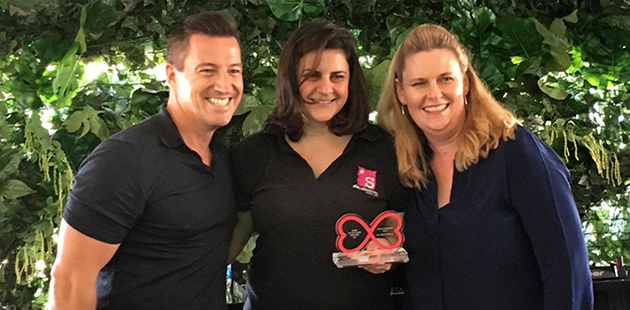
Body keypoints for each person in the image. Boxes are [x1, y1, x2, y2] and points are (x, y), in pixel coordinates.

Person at [376, 24, 593, 310]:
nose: (434, 94)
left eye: (445, 79)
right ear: (401, 92)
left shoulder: (516, 152)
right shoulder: (406, 167)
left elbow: (569, 270)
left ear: (465, 83)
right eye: (419, 83)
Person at [49, 11, 242, 310]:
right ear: (172, 76)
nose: (224, 84)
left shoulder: (223, 158)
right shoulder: (124, 159)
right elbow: (70, 279)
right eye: (207, 70)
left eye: (233, 71)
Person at [229, 20, 411, 310]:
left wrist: (386, 247)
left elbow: (400, 222)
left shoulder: (383, 150)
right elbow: (228, 242)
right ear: (290, 79)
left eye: (337, 76)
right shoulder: (255, 153)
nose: (325, 88)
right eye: (312, 75)